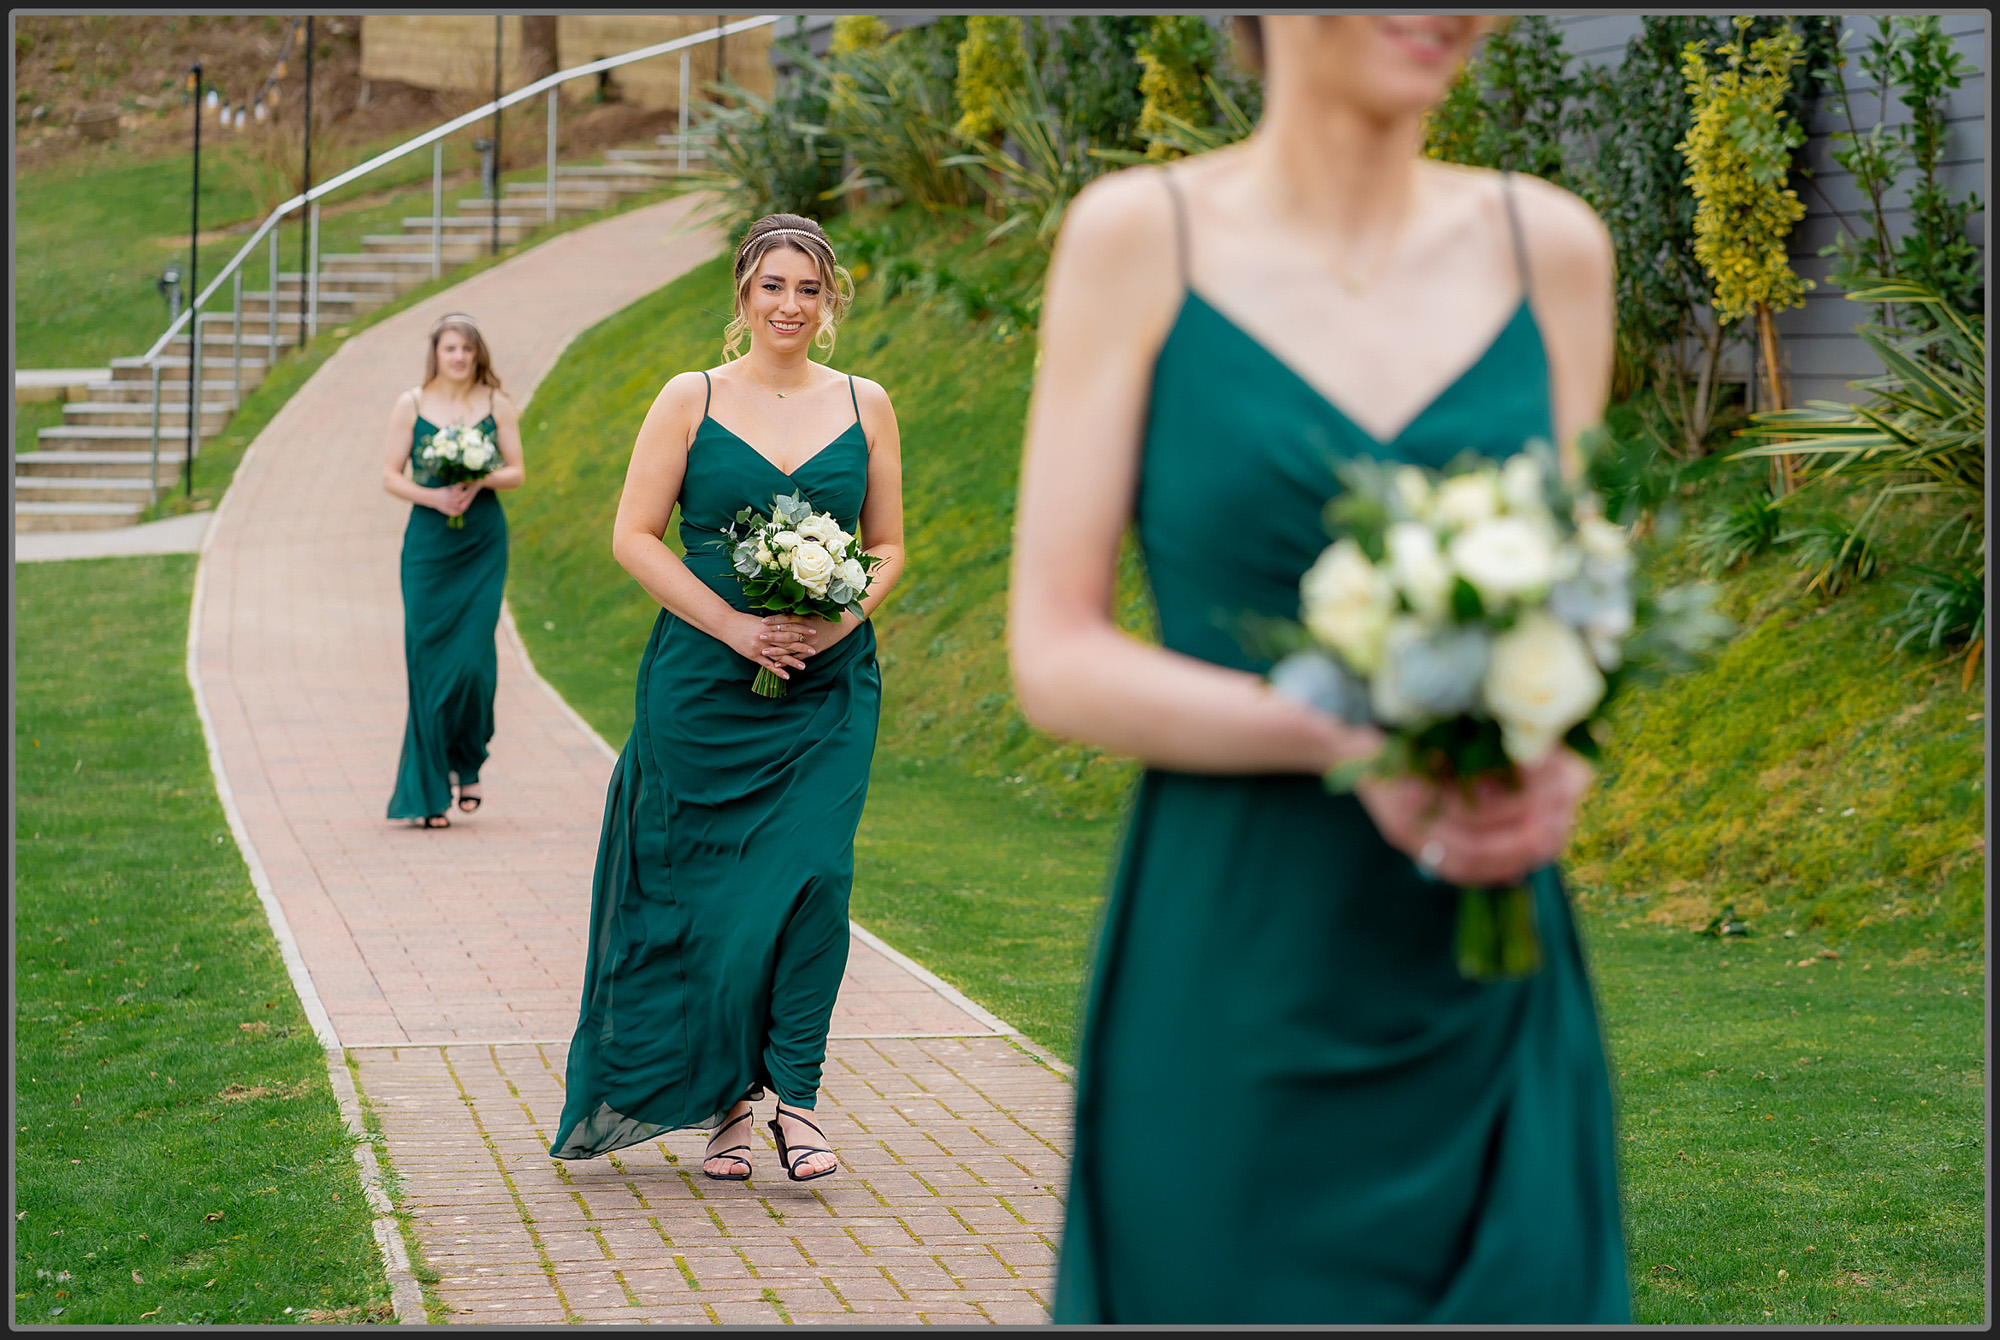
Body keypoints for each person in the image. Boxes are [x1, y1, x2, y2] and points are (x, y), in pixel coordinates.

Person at [1007, 14, 1630, 1325]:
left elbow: (1574, 606)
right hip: (1238, 976)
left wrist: (1556, 751)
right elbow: (1055, 656)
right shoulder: (1138, 239)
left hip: (1487, 978)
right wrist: (1349, 739)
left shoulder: (1553, 252)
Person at [547, 214, 906, 1184]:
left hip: (828, 692)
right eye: (771, 287)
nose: (789, 305)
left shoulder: (866, 403)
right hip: (705, 685)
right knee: (714, 901)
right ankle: (730, 1105)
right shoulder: (689, 396)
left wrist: (840, 620)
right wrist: (736, 627)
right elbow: (635, 535)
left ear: (828, 301)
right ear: (742, 295)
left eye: (807, 289)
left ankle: (797, 1098)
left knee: (814, 879)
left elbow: (889, 545)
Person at [383, 313, 525, 829]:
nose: (459, 358)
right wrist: (435, 497)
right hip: (428, 546)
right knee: (428, 663)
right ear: (436, 354)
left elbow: (517, 471)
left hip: (481, 542)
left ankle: (467, 760)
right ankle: (429, 787)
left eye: (467, 349)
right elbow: (388, 475)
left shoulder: (496, 404)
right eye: (450, 349)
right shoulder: (412, 404)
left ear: (477, 353)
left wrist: (479, 476)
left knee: (471, 663)